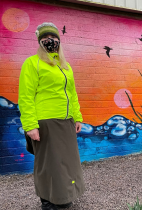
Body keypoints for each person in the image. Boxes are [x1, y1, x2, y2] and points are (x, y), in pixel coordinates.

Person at [18, 22, 85, 210]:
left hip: (66, 121)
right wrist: (30, 125)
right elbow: (25, 96)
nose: (51, 41)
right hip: (45, 122)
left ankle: (64, 195)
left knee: (66, 162)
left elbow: (72, 94)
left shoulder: (65, 66)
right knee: (49, 163)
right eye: (46, 39)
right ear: (40, 41)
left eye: (55, 38)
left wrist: (77, 117)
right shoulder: (32, 63)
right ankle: (48, 200)